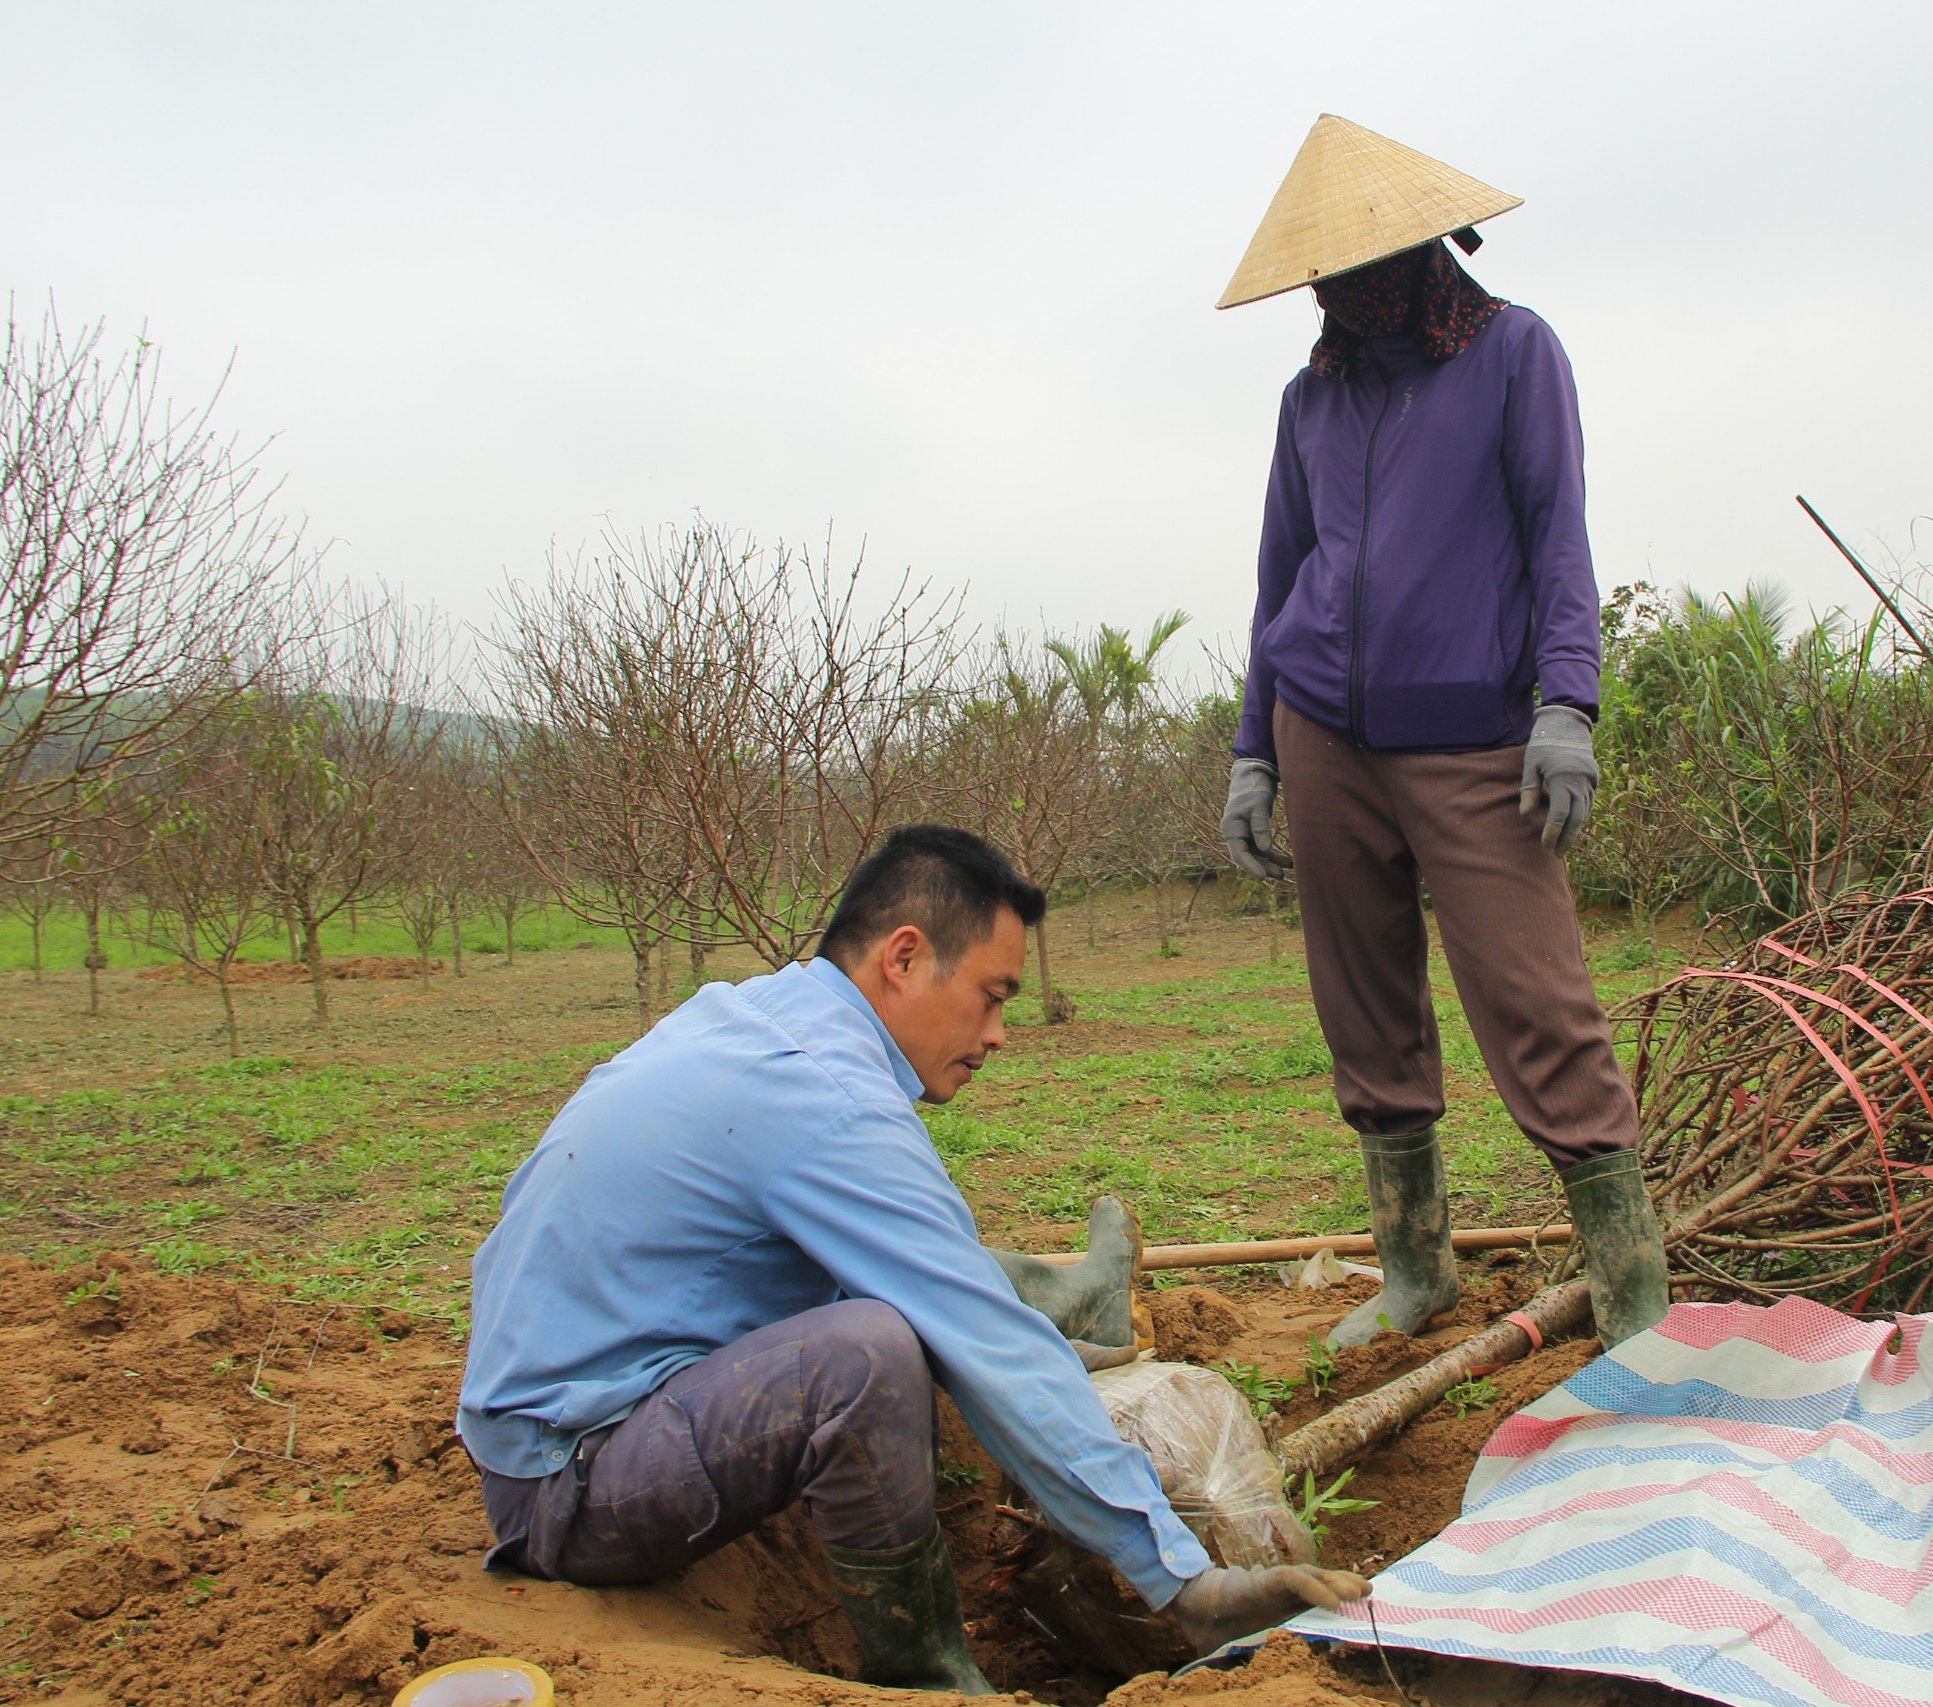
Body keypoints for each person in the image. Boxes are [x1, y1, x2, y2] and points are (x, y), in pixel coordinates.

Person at [458, 825, 1366, 1694]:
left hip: (565, 1418)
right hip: (568, 1485)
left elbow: (927, 1272)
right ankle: (929, 1673)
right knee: (871, 1350)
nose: (1001, 1031)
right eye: (993, 993)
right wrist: (1182, 1581)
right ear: (902, 958)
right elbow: (977, 1334)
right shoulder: (829, 1097)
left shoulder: (760, 1020)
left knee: (915, 1277)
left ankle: (1074, 1304)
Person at [1214, 116, 1673, 1350]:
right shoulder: (1311, 397)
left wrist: (1565, 706)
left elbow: (1555, 537)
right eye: (1321, 281)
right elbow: (1279, 579)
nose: (1339, 296)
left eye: (1359, 271)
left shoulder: (1515, 355)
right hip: (1323, 734)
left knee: (1538, 1004)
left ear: (1429, 253)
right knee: (1361, 1004)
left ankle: (1635, 1304)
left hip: (1473, 735)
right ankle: (1416, 1272)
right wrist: (1257, 747)